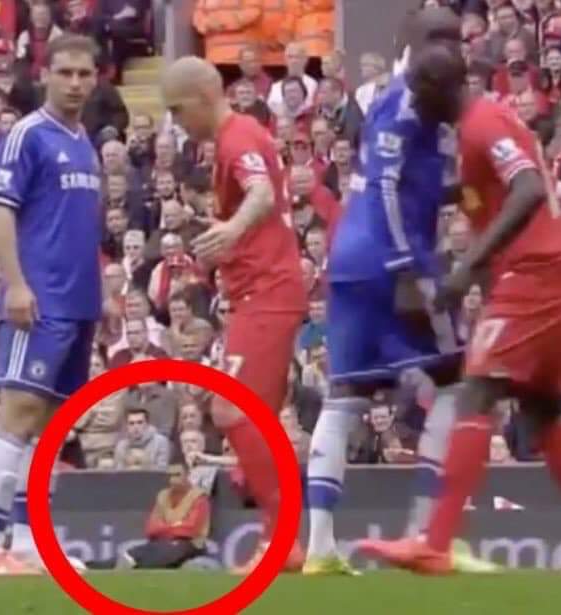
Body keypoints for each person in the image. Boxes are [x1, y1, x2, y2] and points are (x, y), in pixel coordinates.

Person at [360, 44, 561, 578]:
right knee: (541, 414)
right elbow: (485, 192)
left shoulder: (485, 122)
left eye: (418, 94)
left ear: (439, 89)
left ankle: (435, 542)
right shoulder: (472, 129)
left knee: (477, 390)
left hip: (535, 274)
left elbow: (527, 188)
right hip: (544, 273)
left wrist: (466, 268)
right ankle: (434, 542)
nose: (414, 105)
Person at [303, 6, 470, 577]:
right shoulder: (410, 102)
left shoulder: (411, 98)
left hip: (350, 258)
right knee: (454, 382)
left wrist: (466, 189)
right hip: (391, 258)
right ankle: (425, 533)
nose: (449, 45)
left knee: (346, 394)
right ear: (409, 42)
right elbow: (390, 189)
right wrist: (406, 269)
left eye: (455, 37)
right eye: (438, 36)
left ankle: (320, 548)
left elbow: (420, 184)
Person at [161, 55, 307, 573]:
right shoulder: (239, 137)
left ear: (202, 97)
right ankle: (280, 541)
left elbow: (261, 194)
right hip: (261, 291)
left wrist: (231, 229)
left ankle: (283, 534)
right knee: (256, 421)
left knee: (229, 411)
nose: (177, 122)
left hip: (267, 294)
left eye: (178, 110)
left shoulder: (236, 138)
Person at [0, 34, 103, 576]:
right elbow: (0, 212)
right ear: (46, 75)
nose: (75, 83)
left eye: (84, 74)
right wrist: (16, 284)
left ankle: (27, 542)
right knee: (18, 417)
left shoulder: (84, 141)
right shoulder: (27, 136)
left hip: (79, 302)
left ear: (96, 79)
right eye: (65, 72)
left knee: (48, 429)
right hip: (39, 300)